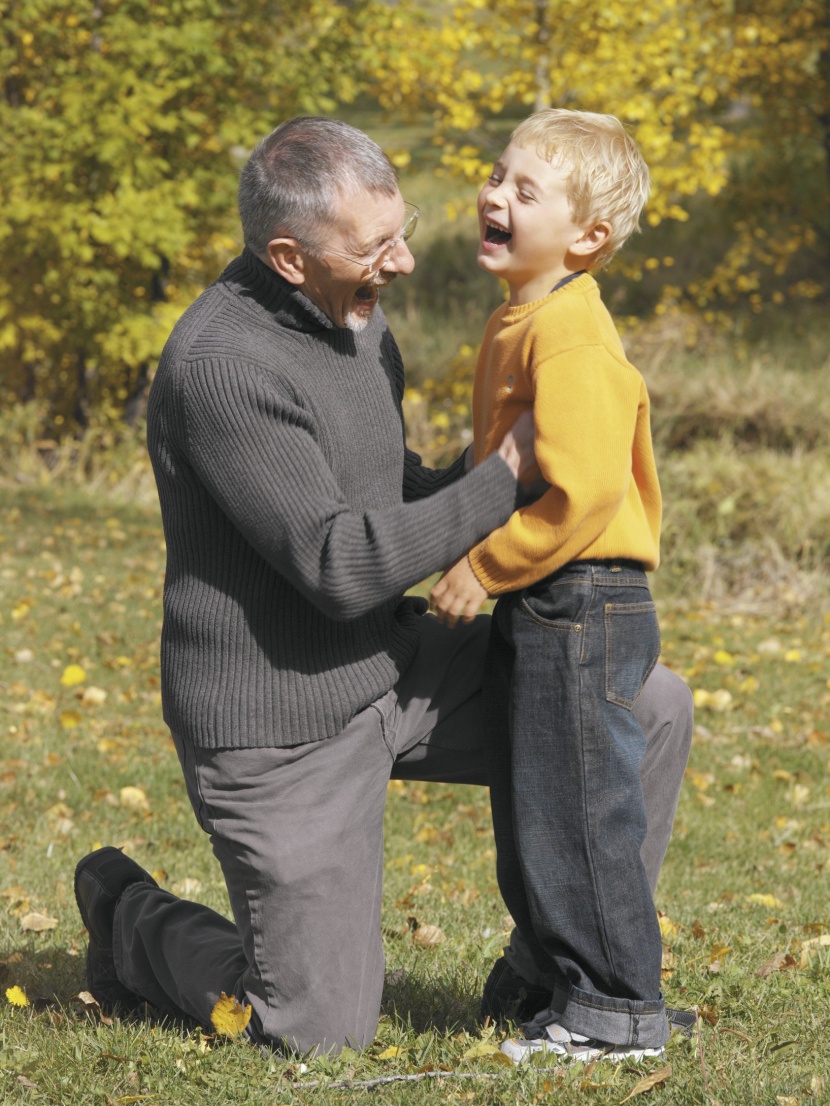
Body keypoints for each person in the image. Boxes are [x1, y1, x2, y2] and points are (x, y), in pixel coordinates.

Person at [73, 116, 692, 1058]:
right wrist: (508, 474)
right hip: (281, 724)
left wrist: (503, 484)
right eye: (377, 248)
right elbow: (338, 562)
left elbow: (388, 484)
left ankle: (557, 968)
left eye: (399, 231)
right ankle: (130, 919)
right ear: (289, 257)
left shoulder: (357, 313)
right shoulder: (222, 366)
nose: (403, 262)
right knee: (317, 1033)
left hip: (392, 663)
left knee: (646, 703)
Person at [431, 109, 683, 1063]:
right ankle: (555, 983)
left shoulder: (571, 337)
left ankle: (616, 1015)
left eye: (524, 190)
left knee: (579, 810)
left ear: (588, 237)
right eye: (498, 176)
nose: (494, 195)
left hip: (579, 593)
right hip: (554, 595)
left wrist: (483, 566)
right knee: (539, 804)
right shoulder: (523, 318)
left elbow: (580, 492)